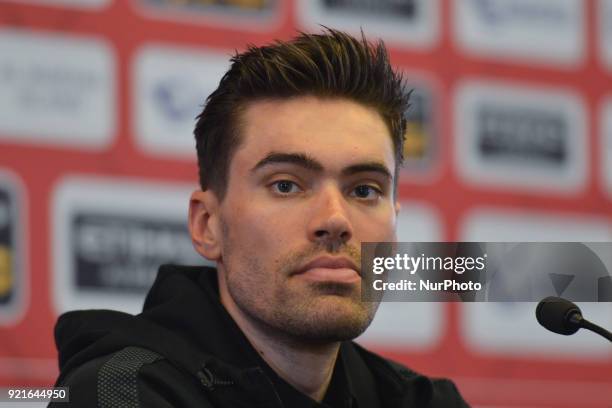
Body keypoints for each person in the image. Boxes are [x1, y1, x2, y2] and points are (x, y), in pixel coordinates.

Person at [50, 28, 469, 407]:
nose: (336, 220)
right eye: (286, 185)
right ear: (207, 225)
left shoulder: (422, 401)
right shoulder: (120, 394)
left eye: (364, 190)